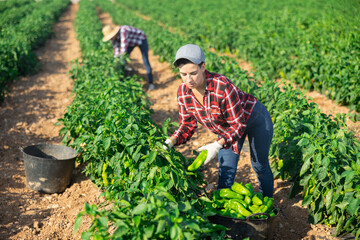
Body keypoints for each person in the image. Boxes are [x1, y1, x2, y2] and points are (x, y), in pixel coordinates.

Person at [164, 44, 274, 197]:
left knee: (259, 165)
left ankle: (268, 203)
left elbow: (238, 124)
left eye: (193, 73)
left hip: (255, 120)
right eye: (183, 74)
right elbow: (187, 124)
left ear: (203, 67)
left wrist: (217, 145)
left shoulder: (222, 87)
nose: (188, 79)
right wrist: (171, 141)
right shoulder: (183, 93)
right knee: (226, 170)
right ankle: (224, 215)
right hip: (228, 129)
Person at [102, 24, 154, 91]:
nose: (111, 39)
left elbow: (123, 49)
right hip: (130, 43)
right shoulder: (113, 38)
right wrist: (115, 62)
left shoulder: (123, 31)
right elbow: (116, 50)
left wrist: (119, 61)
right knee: (123, 61)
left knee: (145, 60)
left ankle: (151, 83)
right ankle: (123, 80)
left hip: (141, 40)